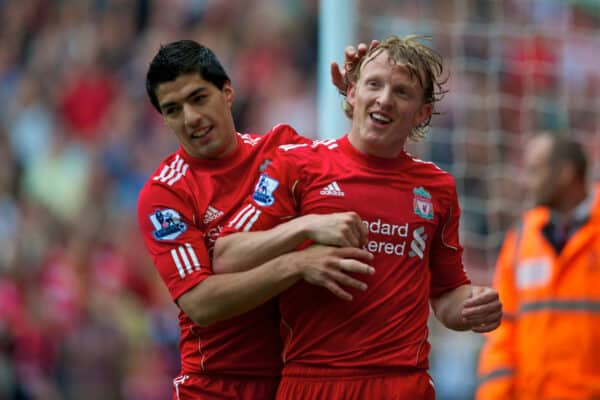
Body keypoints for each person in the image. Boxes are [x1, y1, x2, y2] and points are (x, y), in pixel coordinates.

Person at [214, 34, 503, 399]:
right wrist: (305, 228)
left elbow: (446, 296)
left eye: (402, 92)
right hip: (312, 381)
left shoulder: (437, 187)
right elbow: (224, 256)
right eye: (374, 84)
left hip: (401, 384)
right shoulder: (298, 166)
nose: (384, 98)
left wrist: (472, 306)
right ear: (352, 93)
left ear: (422, 113)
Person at [137, 39, 376, 399]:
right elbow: (201, 303)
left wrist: (363, 104)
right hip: (216, 388)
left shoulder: (281, 149)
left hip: (299, 383)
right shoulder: (166, 195)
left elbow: (359, 180)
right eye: (173, 110)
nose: (190, 119)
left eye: (199, 98)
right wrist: (297, 262)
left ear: (227, 92)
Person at [476, 133, 600, 400]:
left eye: (535, 170)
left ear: (566, 173)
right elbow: (503, 328)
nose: (525, 181)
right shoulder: (521, 239)